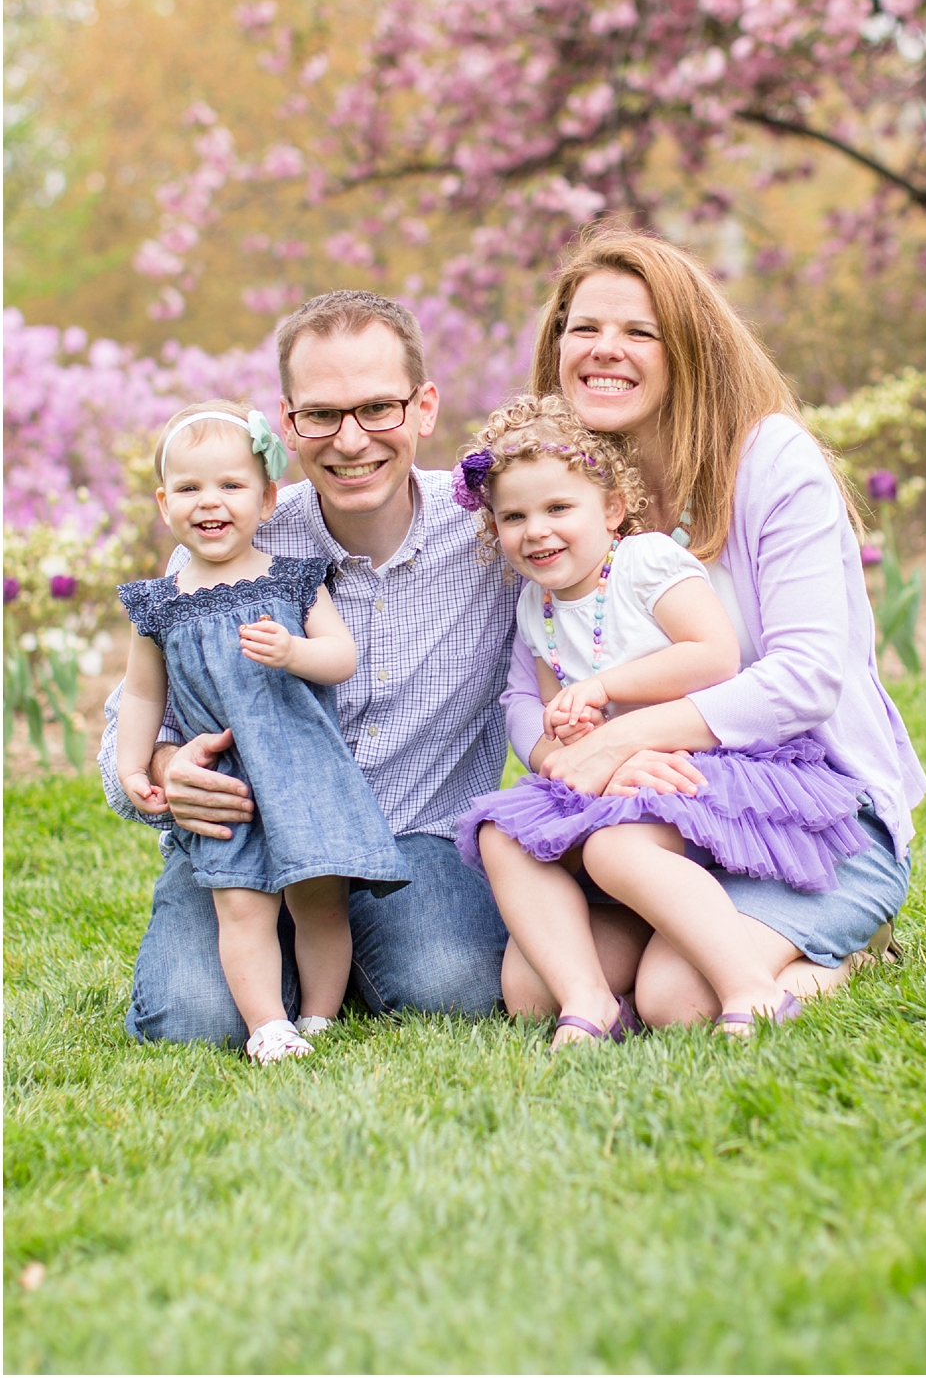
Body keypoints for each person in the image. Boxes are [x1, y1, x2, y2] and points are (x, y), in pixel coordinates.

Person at [490, 226, 926, 1031]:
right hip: (663, 817)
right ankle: (683, 923)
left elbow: (804, 676)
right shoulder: (569, 485)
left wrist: (623, 738)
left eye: (638, 332)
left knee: (675, 1000)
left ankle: (846, 949)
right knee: (534, 989)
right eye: (583, 328)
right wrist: (567, 755)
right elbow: (530, 682)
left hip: (813, 807)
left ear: (688, 348)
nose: (603, 350)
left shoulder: (769, 461)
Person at [100, 291, 517, 1047]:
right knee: (190, 1020)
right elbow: (134, 712)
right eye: (323, 414)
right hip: (254, 833)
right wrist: (163, 767)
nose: (351, 440)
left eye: (378, 408)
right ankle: (287, 968)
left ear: (424, 407)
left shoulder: (495, 534)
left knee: (453, 987)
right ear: (288, 424)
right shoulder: (228, 542)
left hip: (413, 832)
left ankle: (340, 964)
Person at [451, 393, 874, 1044]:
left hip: (704, 763)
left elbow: (713, 655)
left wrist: (604, 689)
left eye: (559, 507)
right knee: (501, 841)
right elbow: (547, 706)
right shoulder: (535, 606)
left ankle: (753, 985)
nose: (536, 529)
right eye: (514, 515)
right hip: (625, 782)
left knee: (621, 858)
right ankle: (587, 998)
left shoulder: (644, 562)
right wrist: (570, 739)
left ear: (611, 508)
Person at [114, 400, 413, 1062]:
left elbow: (341, 656)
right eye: (189, 488)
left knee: (319, 903)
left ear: (268, 497)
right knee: (240, 908)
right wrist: (136, 768)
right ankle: (266, 1023)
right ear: (165, 503)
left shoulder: (291, 580)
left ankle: (320, 1014)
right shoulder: (161, 602)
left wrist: (292, 652)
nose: (209, 502)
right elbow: (141, 693)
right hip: (228, 787)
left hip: (304, 771)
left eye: (230, 485)